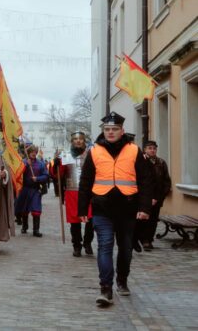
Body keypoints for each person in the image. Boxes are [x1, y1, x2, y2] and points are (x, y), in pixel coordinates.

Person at [79, 112, 153, 307]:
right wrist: (82, 209)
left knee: (126, 248)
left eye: (114, 129)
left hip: (128, 208)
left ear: (122, 130)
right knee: (104, 246)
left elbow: (145, 180)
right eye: (107, 129)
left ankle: (122, 279)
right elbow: (85, 182)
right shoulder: (95, 151)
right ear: (103, 131)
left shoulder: (134, 151)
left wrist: (145, 207)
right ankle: (105, 288)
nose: (110, 132)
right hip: (102, 207)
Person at [59, 132, 94, 257]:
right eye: (75, 139)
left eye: (80, 139)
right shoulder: (66, 155)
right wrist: (57, 163)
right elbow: (58, 174)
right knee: (75, 221)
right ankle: (77, 245)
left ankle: (88, 242)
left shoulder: (92, 154)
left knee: (91, 219)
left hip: (88, 191)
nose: (78, 141)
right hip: (72, 191)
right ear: (72, 141)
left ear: (84, 141)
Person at [134, 140, 171, 251]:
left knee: (153, 220)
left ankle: (148, 240)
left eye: (154, 148)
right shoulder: (140, 161)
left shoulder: (161, 163)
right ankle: (140, 238)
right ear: (145, 149)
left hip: (157, 198)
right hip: (143, 197)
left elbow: (166, 182)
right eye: (149, 148)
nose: (152, 150)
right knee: (141, 220)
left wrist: (159, 198)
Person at [14, 144, 49, 237]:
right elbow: (17, 173)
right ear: (28, 153)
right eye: (32, 152)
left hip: (35, 190)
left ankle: (36, 230)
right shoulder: (23, 162)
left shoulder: (41, 164)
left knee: (36, 209)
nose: (33, 153)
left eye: (35, 152)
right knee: (24, 209)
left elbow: (46, 175)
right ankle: (24, 227)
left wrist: (37, 178)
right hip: (25, 189)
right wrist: (25, 165)